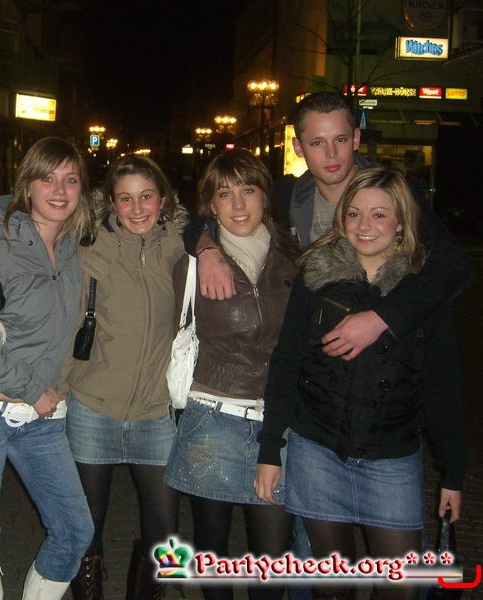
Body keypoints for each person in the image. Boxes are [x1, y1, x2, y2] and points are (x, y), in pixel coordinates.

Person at [254, 166, 467, 600]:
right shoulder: (316, 275)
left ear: (401, 221)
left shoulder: (422, 287)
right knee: (333, 587)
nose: (364, 225)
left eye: (379, 214)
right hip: (317, 450)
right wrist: (270, 449)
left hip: (391, 456)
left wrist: (453, 471)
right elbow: (287, 362)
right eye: (353, 214)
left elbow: (441, 383)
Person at [187, 92, 469, 361]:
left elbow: (454, 264)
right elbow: (204, 217)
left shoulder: (395, 192)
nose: (331, 154)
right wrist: (208, 250)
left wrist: (381, 318)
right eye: (317, 143)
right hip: (318, 364)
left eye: (340, 139)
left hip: (395, 358)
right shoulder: (287, 196)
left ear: (356, 138)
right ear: (298, 147)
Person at [0, 137, 95, 600]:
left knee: (74, 530)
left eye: (70, 179)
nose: (59, 190)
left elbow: (154, 216)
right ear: (26, 185)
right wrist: (33, 389)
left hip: (41, 417)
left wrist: (207, 245)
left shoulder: (76, 242)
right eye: (46, 178)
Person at [165, 149, 299, 600]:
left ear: (265, 196)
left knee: (273, 555)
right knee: (212, 547)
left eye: (248, 190)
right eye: (225, 194)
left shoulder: (294, 255)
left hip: (278, 420)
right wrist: (204, 247)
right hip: (213, 414)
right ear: (211, 204)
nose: (238, 205)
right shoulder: (193, 262)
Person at [61, 155, 184, 600]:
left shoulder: (181, 249)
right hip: (94, 406)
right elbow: (70, 323)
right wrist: (56, 391)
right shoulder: (89, 248)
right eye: (125, 198)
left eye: (146, 196)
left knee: (166, 529)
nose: (137, 208)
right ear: (111, 203)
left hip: (156, 412)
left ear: (163, 199)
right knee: (86, 525)